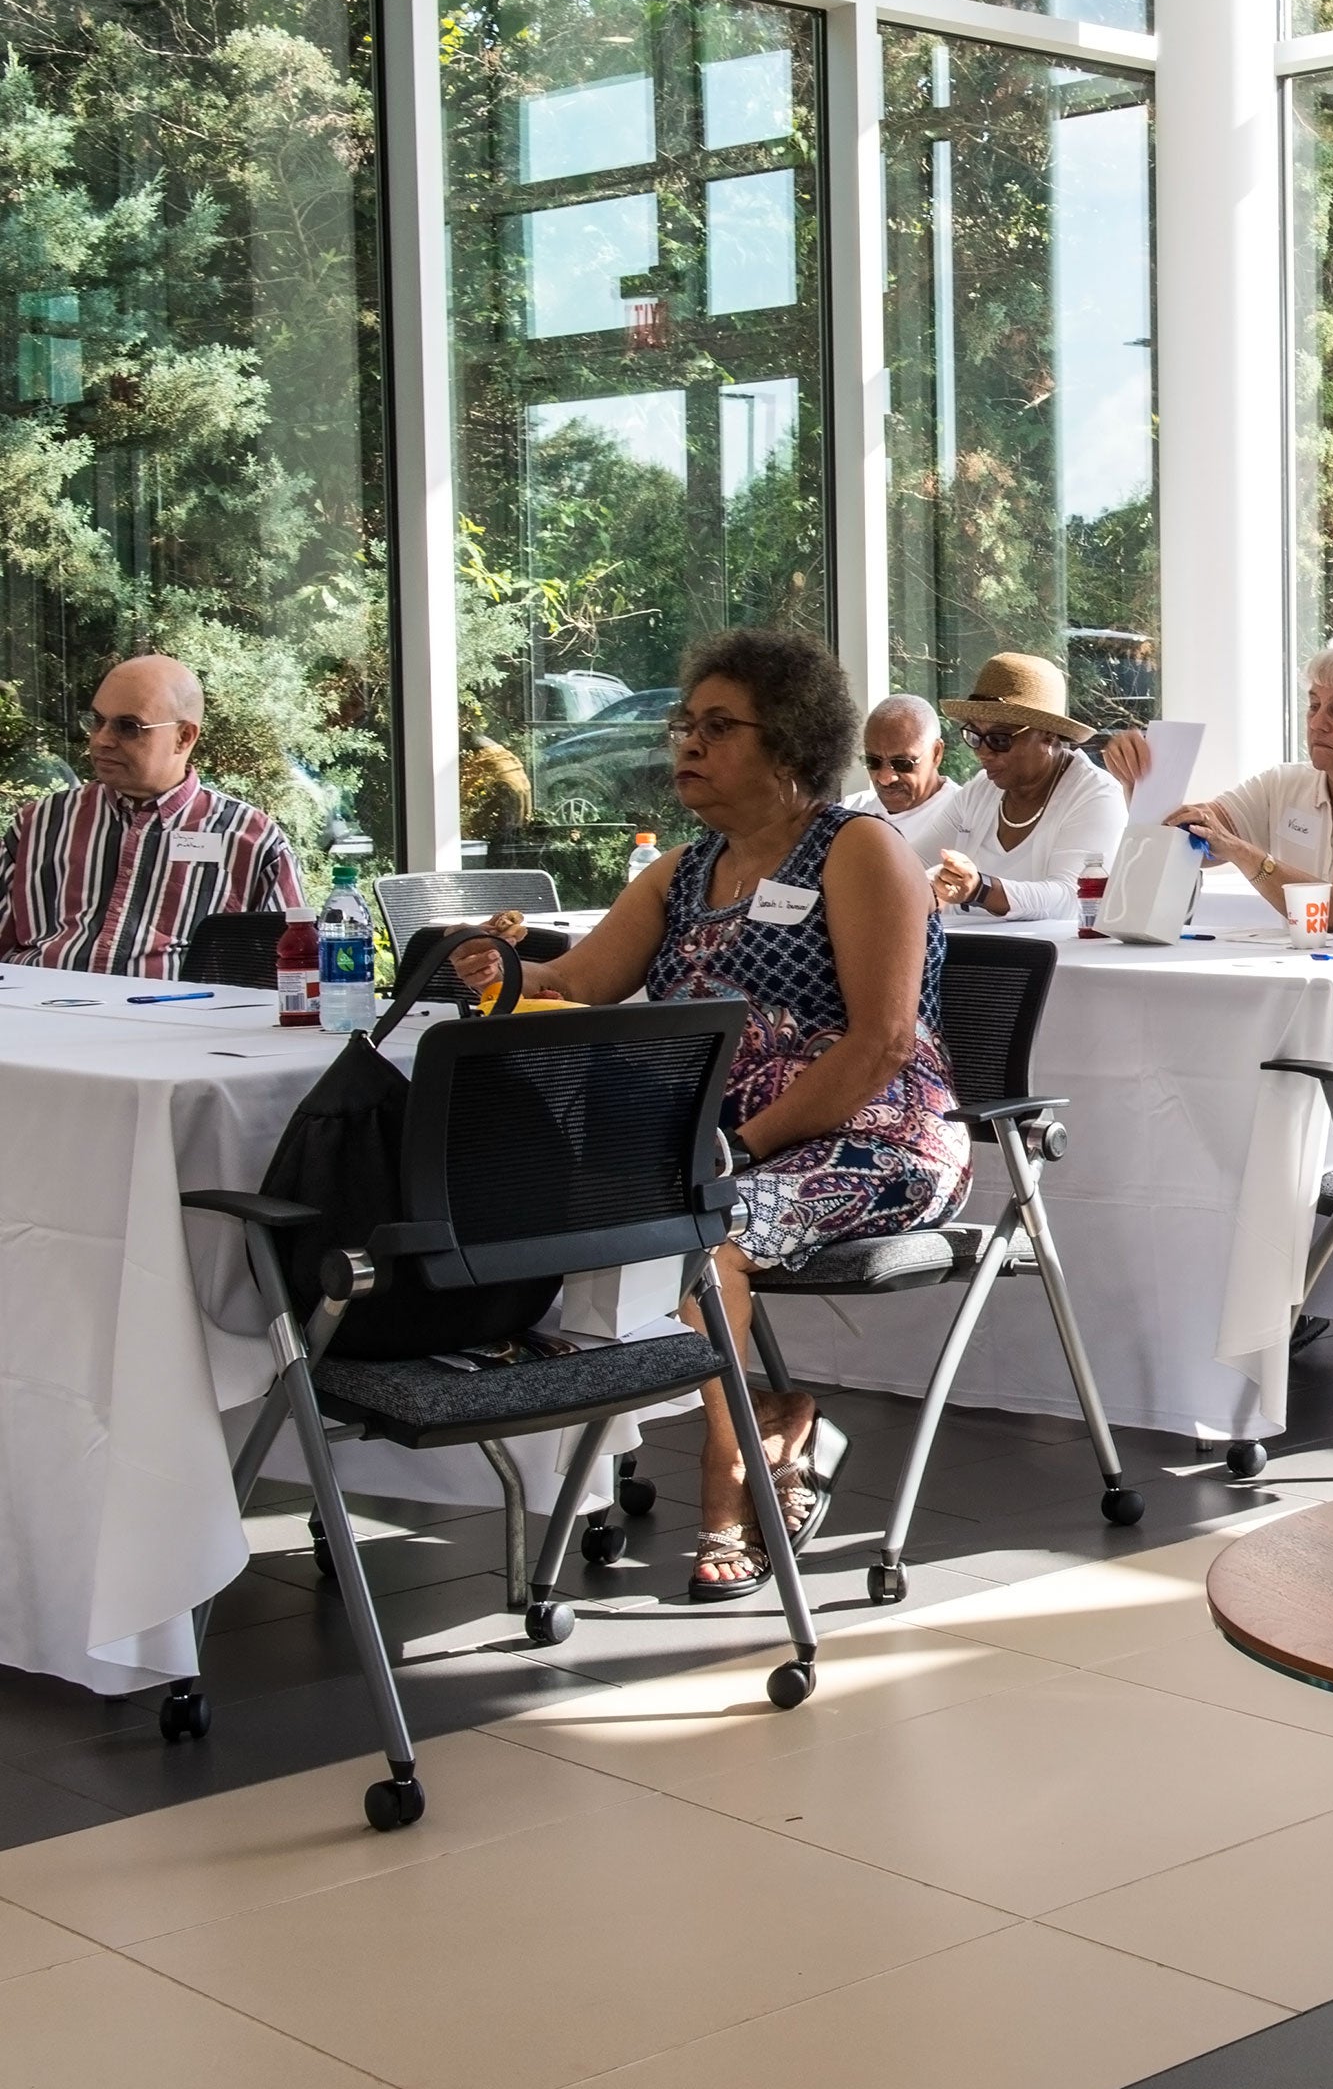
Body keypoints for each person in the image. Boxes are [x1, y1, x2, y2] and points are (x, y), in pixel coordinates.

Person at [451, 629, 970, 1604]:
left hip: (880, 1134)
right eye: (686, 724)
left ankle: (727, 1480)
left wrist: (739, 1147)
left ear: (792, 743)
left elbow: (883, 1043)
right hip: (718, 1149)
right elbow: (579, 984)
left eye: (720, 727)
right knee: (569, 1204)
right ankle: (767, 1416)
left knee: (710, 1230)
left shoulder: (858, 850)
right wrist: (503, 970)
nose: (688, 743)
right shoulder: (680, 873)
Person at [1103, 638, 1333, 928]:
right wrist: (1139, 779)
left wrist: (1239, 851)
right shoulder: (1282, 783)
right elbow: (1188, 839)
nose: (1317, 723)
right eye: (1314, 705)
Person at [0, 654, 303, 976]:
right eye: (97, 721)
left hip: (184, 1007)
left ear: (183, 737)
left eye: (128, 727)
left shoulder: (251, 840)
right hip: (38, 1003)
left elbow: (296, 969)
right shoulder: (38, 825)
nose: (102, 739)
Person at [924, 654, 1129, 920]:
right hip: (970, 945)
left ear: (1048, 736)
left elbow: (1073, 897)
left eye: (999, 739)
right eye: (974, 736)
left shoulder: (1096, 795)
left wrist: (980, 889)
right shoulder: (980, 790)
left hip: (1054, 948)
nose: (982, 752)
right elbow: (913, 863)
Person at [846, 693, 966, 851]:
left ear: (936, 753)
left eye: (902, 763)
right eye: (873, 762)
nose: (885, 778)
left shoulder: (966, 821)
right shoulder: (849, 810)